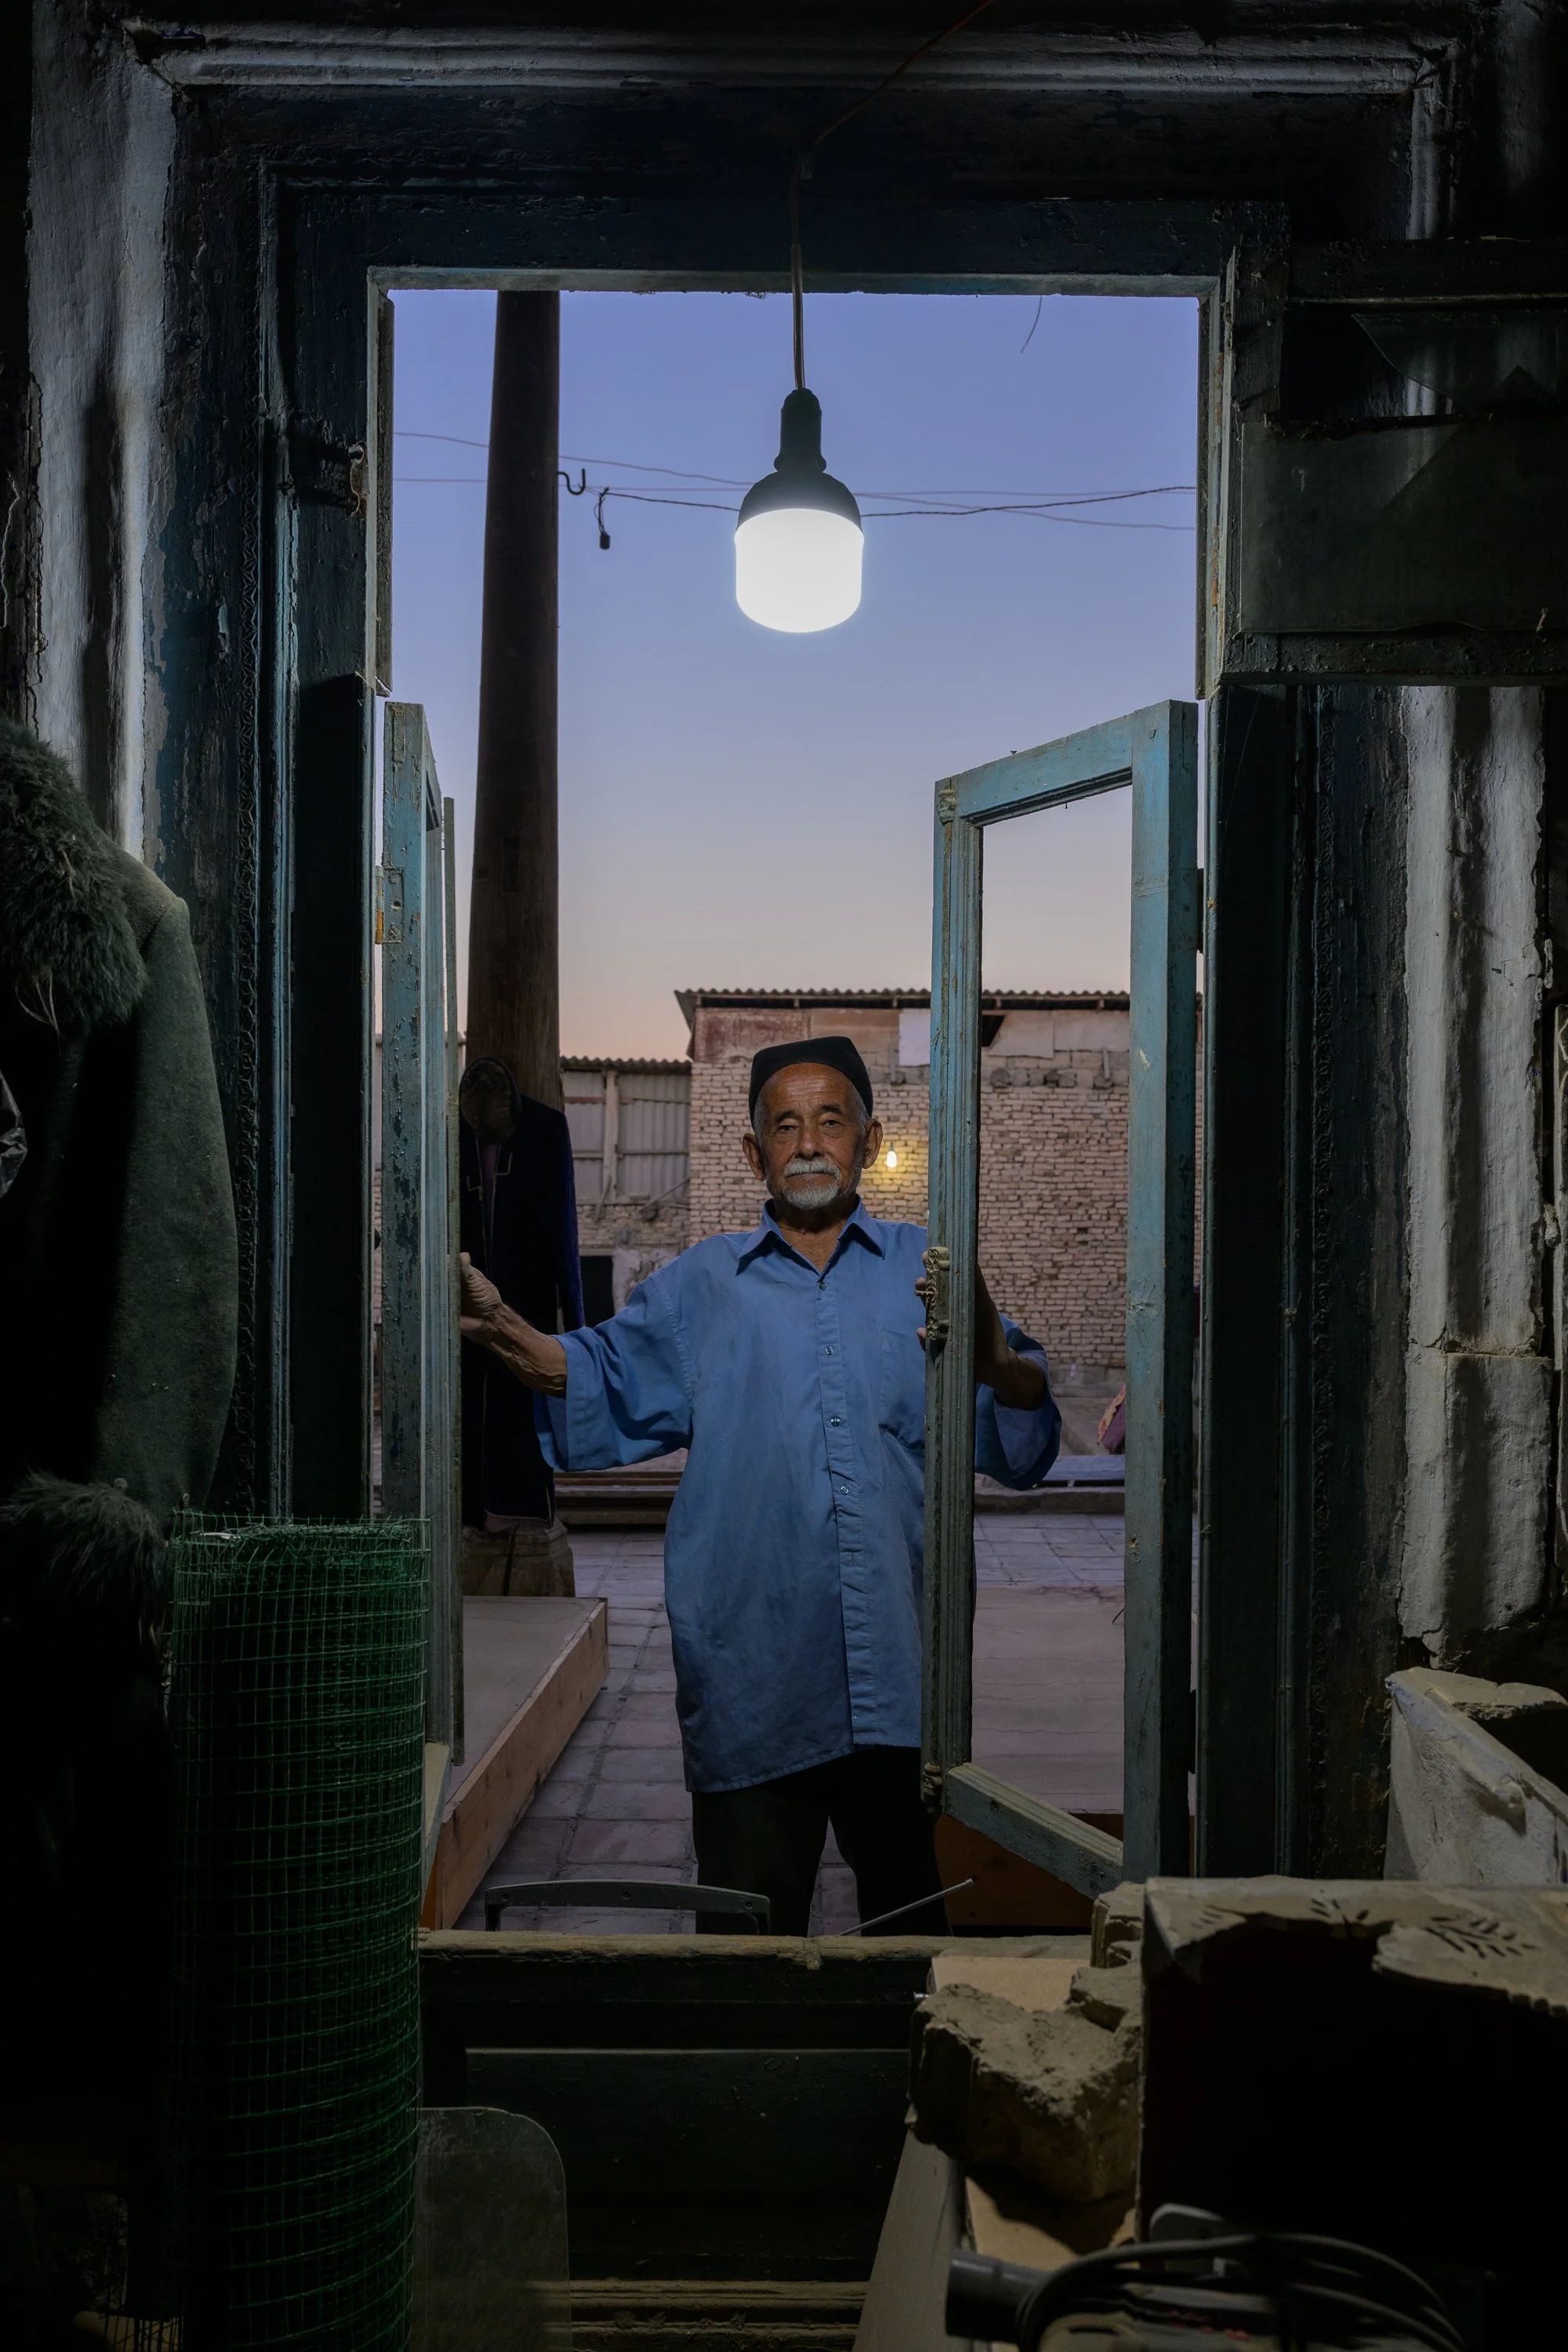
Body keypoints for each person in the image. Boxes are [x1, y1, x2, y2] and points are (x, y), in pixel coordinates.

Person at [459, 1035, 1059, 1935]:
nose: (809, 1143)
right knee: (747, 1939)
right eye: (785, 1125)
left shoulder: (923, 1275)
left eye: (830, 1121)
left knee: (907, 1946)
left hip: (899, 1683)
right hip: (755, 1684)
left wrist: (992, 1354)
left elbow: (1023, 1434)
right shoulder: (703, 1286)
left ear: (868, 1138)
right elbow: (585, 1372)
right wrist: (497, 1318)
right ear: (754, 1152)